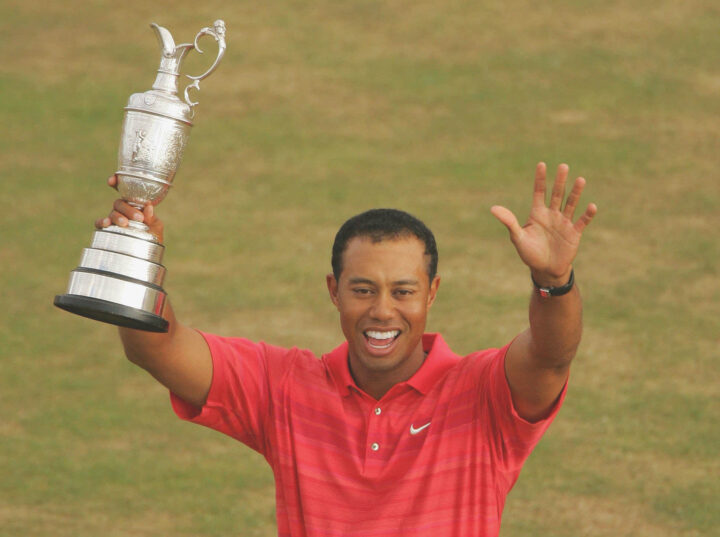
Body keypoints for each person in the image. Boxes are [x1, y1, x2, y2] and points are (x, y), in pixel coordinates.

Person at [96, 162, 597, 536]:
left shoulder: (484, 393)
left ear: (432, 293)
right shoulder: (285, 388)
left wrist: (553, 279)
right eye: (363, 290)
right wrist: (135, 254)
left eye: (403, 291)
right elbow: (155, 349)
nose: (382, 311)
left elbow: (551, 355)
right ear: (334, 291)